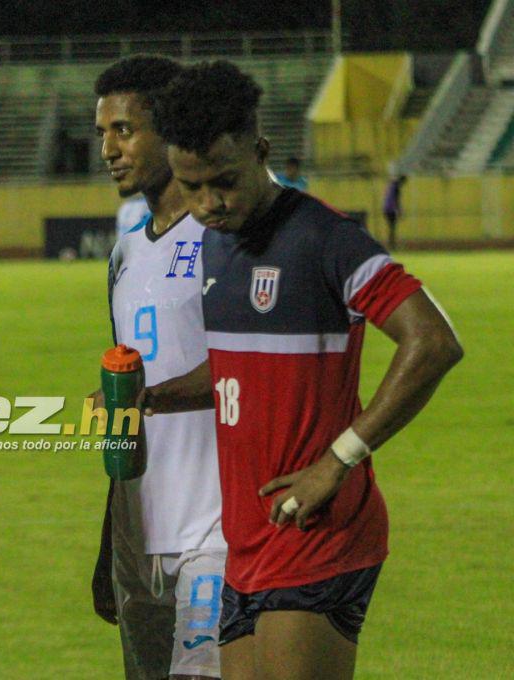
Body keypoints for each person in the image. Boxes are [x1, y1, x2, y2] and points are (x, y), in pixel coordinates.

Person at [148, 61, 462, 680]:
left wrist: (336, 461)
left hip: (318, 535)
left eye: (225, 181)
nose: (209, 203)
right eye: (191, 186)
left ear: (261, 149)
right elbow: (239, 370)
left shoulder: (325, 238)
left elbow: (432, 342)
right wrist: (153, 396)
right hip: (246, 542)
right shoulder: (216, 239)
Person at [93, 55, 225, 680]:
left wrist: (154, 398)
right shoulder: (124, 253)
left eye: (123, 130)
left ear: (170, 129)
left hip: (215, 529)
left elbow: (247, 370)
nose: (108, 149)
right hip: (140, 531)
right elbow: (124, 405)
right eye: (101, 134)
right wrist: (109, 536)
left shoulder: (221, 237)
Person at [382, 174, 407, 250]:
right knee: (392, 228)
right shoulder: (396, 187)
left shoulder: (391, 185)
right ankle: (392, 245)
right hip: (391, 210)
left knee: (391, 228)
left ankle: (391, 244)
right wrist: (399, 211)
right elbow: (396, 201)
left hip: (386, 209)